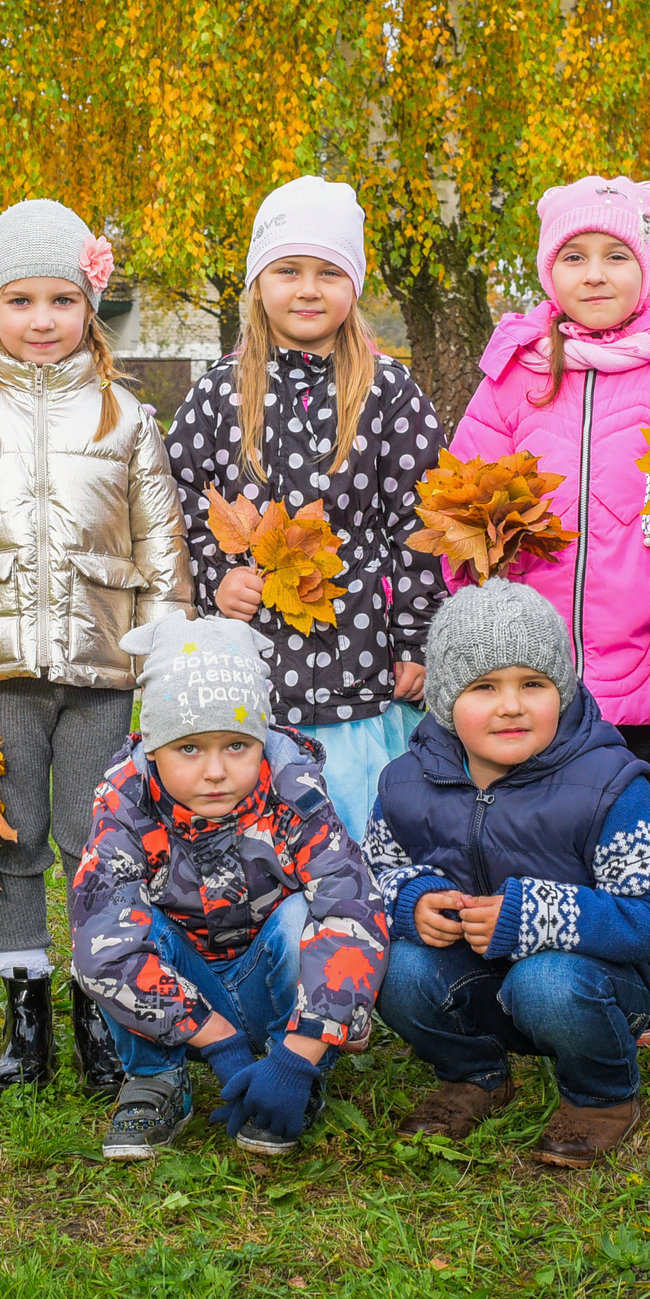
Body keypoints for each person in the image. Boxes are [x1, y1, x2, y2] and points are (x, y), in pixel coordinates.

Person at [0, 199, 193, 1094]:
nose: (41, 319)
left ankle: (99, 996)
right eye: (20, 300)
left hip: (104, 666)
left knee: (92, 837)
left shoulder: (125, 419)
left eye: (61, 299)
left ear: (88, 308)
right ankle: (24, 1002)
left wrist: (166, 658)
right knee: (12, 830)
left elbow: (162, 548)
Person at [443, 176, 650, 866]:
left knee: (642, 802)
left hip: (649, 649)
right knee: (530, 811)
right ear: (549, 270)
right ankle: (539, 923)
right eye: (574, 256)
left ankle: (649, 927)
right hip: (530, 655)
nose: (595, 274)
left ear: (646, 267)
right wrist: (473, 602)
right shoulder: (515, 373)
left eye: (616, 255)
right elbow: (462, 506)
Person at [364, 580, 650, 1168]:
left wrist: (536, 916)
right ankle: (474, 1075)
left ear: (562, 690)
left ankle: (600, 1095)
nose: (511, 705)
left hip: (598, 983)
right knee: (397, 967)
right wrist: (410, 900)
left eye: (533, 684)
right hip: (476, 973)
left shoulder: (609, 784)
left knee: (548, 982)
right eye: (484, 687)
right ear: (444, 699)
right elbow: (372, 873)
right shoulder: (405, 783)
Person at [168, 175, 447, 839]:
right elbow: (178, 502)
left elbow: (421, 524)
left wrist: (415, 637)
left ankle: (361, 901)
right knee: (258, 832)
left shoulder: (388, 392)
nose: (308, 289)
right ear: (258, 282)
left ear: (353, 284)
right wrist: (214, 578)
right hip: (251, 662)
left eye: (329, 272)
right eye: (288, 270)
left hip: (359, 658)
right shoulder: (219, 393)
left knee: (358, 821)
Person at [69, 616, 387, 1160]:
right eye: (189, 748)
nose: (215, 771)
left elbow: (353, 912)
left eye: (237, 745)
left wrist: (296, 1057)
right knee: (120, 927)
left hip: (272, 988)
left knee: (305, 915)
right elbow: (104, 946)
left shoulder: (294, 793)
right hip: (180, 990)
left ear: (261, 740)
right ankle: (155, 1076)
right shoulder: (124, 802)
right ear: (154, 747)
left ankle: (295, 1070)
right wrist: (221, 1044)